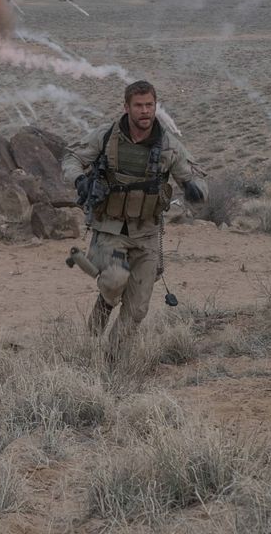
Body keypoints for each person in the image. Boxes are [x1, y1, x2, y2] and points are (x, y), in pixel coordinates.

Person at [61, 80, 208, 349]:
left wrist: (194, 189)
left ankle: (112, 360)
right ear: (126, 107)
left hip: (147, 234)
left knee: (138, 309)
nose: (145, 111)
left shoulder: (168, 146)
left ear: (156, 107)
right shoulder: (106, 137)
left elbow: (195, 178)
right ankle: (102, 312)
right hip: (110, 229)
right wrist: (79, 180)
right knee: (116, 279)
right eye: (138, 106)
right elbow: (70, 158)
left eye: (149, 105)